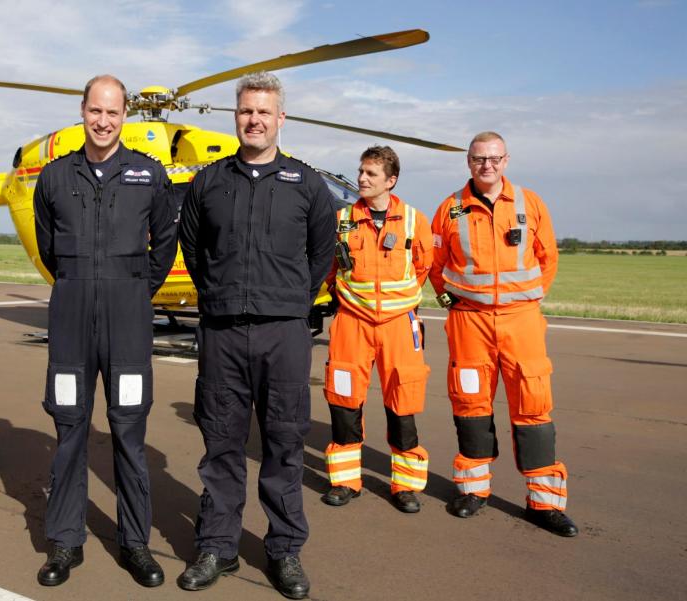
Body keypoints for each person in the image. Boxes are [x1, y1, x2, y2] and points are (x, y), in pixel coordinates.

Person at [177, 71, 336, 599]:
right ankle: (218, 547)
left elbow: (320, 254)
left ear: (280, 119)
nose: (255, 120)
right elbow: (195, 250)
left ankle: (284, 550)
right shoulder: (209, 182)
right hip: (222, 332)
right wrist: (220, 295)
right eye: (247, 111)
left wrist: (288, 301)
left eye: (265, 112)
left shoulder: (306, 184)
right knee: (220, 444)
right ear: (235, 116)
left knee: (285, 444)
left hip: (284, 334)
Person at [32, 75, 177, 588]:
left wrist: (135, 288)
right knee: (70, 429)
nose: (104, 121)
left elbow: (165, 242)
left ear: (124, 117)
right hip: (71, 316)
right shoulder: (53, 178)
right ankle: (65, 542)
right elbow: (50, 250)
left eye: (113, 112)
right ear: (83, 111)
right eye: (96, 111)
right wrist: (78, 283)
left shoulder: (149, 174)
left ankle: (135, 544)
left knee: (129, 433)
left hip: (128, 318)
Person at [429, 131, 578, 537]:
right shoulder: (450, 208)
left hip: (521, 321)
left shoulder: (530, 204)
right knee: (470, 403)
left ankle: (544, 503)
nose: (487, 166)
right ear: (469, 162)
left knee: (533, 404)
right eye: (479, 159)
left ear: (506, 160)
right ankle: (473, 491)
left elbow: (548, 258)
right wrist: (452, 302)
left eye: (494, 158)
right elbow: (434, 263)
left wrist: (524, 301)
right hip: (469, 322)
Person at [321, 145, 433, 514]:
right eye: (361, 172)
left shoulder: (415, 221)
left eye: (371, 174)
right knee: (344, 401)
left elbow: (422, 267)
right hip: (351, 323)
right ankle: (345, 482)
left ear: (391, 180)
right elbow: (329, 271)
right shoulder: (341, 220)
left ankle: (405, 485)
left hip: (399, 325)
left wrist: (397, 305)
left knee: (403, 403)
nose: (362, 179)